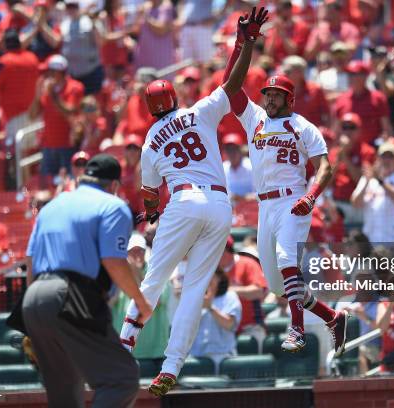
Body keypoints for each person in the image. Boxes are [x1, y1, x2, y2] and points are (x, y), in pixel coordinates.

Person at [119, 7, 269, 397]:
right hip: (221, 207)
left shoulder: (151, 140)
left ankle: (122, 346)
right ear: (173, 96)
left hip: (183, 201)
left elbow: (151, 195)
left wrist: (152, 213)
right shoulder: (197, 111)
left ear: (150, 108)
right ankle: (172, 365)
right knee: (195, 288)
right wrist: (246, 43)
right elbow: (233, 84)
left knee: (154, 281)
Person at [227, 38, 349, 355]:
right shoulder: (254, 118)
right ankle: (332, 317)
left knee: (286, 261)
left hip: (293, 199)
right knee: (280, 285)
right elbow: (231, 85)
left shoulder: (302, 126)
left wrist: (311, 197)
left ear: (289, 98)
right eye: (267, 93)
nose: (269, 98)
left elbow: (325, 167)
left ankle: (296, 329)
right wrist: (243, 45)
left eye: (276, 94)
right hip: (264, 205)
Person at [22, 154, 152, 408]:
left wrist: (38, 312)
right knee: (121, 379)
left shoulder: (51, 207)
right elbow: (113, 261)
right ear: (114, 185)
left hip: (33, 297)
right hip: (72, 296)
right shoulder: (112, 205)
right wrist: (140, 301)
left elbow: (30, 261)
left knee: (65, 393)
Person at [28, 54, 84, 188]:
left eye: (50, 72)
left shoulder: (75, 87)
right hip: (48, 146)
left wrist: (53, 95)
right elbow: (32, 114)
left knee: (69, 185)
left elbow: (70, 110)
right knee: (47, 186)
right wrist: (37, 94)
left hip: (67, 146)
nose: (47, 75)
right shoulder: (46, 89)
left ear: (60, 72)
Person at [111, 233, 169, 360]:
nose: (136, 255)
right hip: (126, 351)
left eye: (140, 251)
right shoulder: (118, 274)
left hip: (155, 352)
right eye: (132, 251)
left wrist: (136, 273)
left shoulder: (156, 273)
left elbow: (156, 301)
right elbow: (108, 304)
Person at [351, 142, 394, 243]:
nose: (387, 160)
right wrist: (367, 181)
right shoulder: (367, 179)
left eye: (390, 157)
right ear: (378, 158)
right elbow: (355, 204)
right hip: (370, 239)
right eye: (384, 157)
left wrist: (380, 181)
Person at [0, 28, 39, 149]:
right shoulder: (32, 57)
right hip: (33, 114)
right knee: (31, 155)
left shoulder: (4, 61)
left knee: (17, 157)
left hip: (14, 116)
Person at [218, 236, 267, 350]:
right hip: (221, 327)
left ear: (227, 251)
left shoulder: (247, 263)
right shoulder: (212, 268)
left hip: (250, 327)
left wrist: (230, 290)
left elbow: (259, 291)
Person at [189, 268, 242, 371]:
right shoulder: (194, 298)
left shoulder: (230, 297)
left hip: (224, 357)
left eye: (210, 276)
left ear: (220, 279)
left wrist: (210, 307)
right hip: (197, 357)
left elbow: (230, 324)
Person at [222, 132, 255, 201]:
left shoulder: (251, 166)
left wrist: (242, 198)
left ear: (240, 150)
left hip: (251, 208)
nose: (231, 153)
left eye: (234, 149)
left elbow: (261, 194)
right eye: (228, 150)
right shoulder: (223, 168)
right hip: (230, 209)